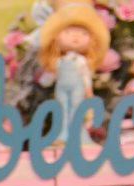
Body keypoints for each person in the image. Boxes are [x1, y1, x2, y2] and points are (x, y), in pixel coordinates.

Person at [36, 1, 110, 142]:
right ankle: (62, 134)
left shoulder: (81, 61)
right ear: (56, 37)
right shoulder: (59, 61)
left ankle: (79, 134)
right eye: (68, 32)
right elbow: (51, 74)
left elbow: (85, 77)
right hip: (61, 89)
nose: (76, 37)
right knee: (62, 109)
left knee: (77, 108)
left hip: (78, 89)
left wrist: (88, 91)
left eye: (83, 33)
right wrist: (45, 79)